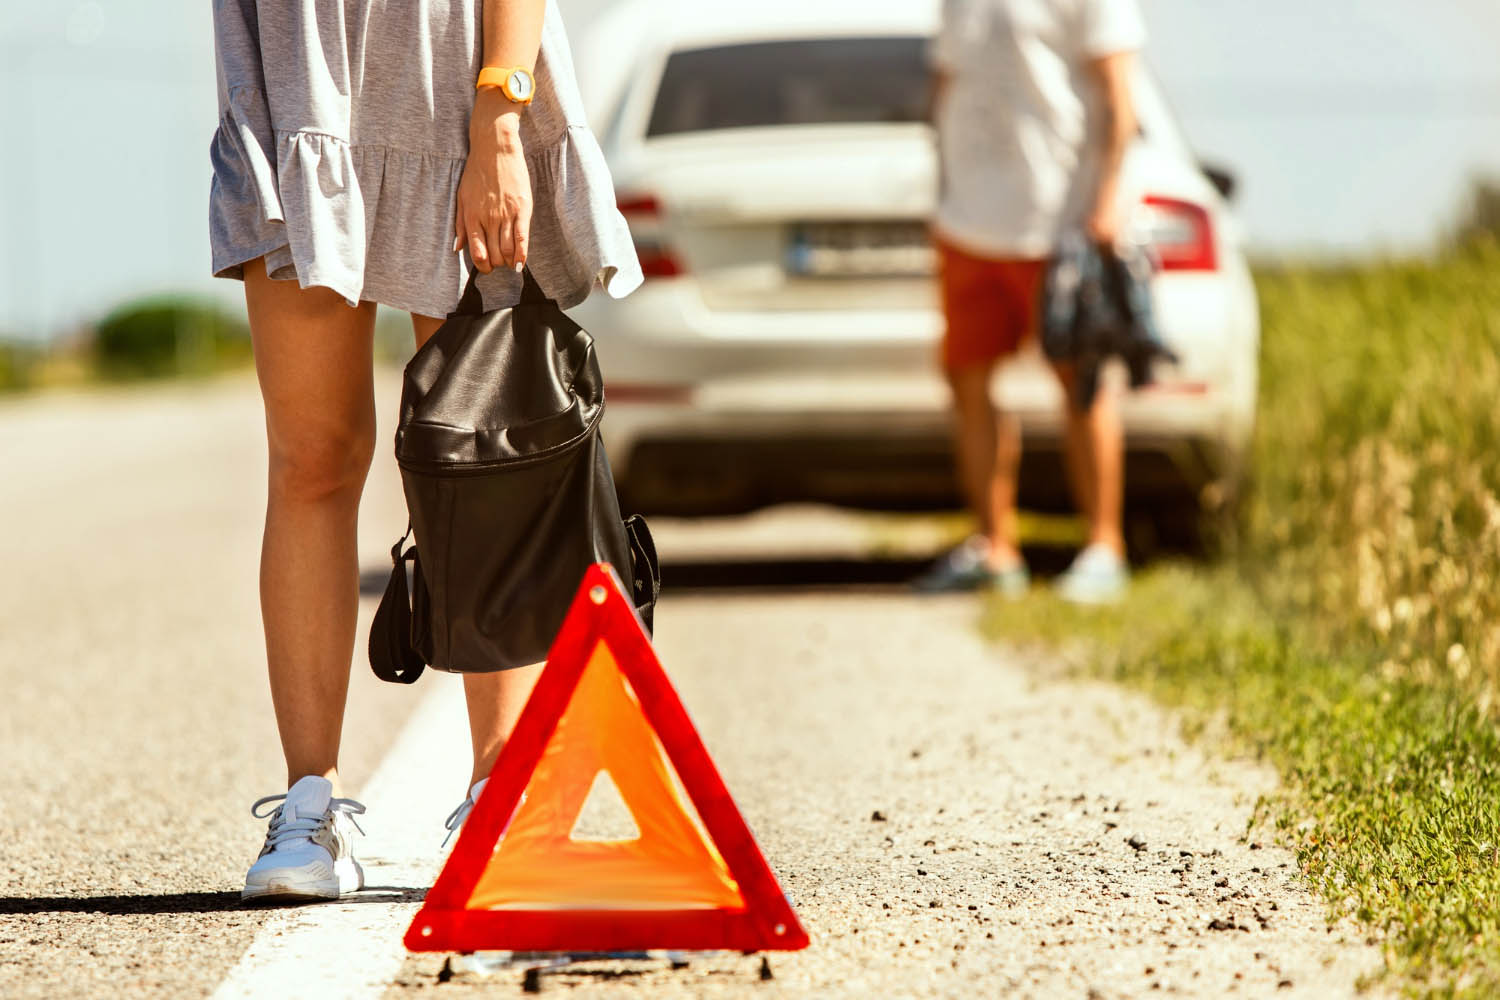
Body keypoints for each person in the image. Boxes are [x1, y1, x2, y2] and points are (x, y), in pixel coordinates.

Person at [208, 0, 642, 902]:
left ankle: (498, 798)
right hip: (301, 107)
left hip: (461, 97)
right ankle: (308, 807)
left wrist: (502, 115)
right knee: (311, 457)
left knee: (485, 463)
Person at [916, 0, 1145, 603]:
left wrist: (1107, 201)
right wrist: (938, 193)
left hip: (1057, 220)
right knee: (968, 379)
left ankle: (1103, 547)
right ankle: (995, 548)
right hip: (967, 222)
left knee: (1081, 382)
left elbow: (1121, 97)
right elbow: (945, 85)